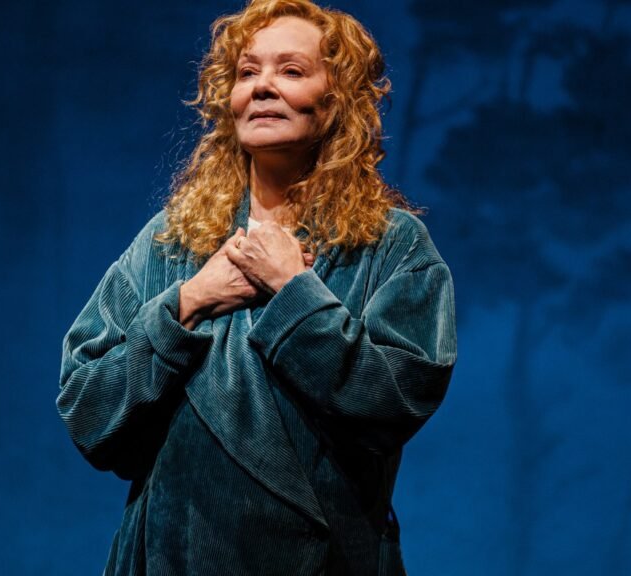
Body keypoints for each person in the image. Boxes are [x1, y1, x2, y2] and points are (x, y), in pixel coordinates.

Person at [57, 1, 456, 574]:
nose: (263, 86)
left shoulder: (390, 245)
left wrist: (295, 293)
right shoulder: (174, 241)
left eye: (291, 71)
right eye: (248, 72)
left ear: (337, 100)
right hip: (172, 557)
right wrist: (187, 304)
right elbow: (87, 411)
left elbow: (393, 404)